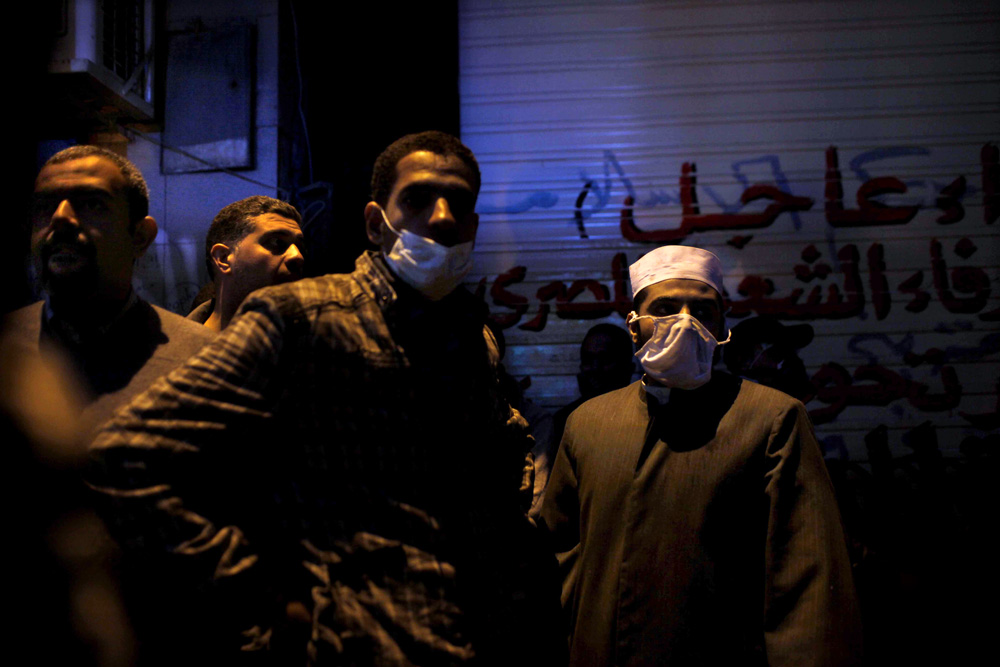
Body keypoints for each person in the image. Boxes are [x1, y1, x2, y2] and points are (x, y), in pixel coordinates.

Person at [89, 131, 561, 665]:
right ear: (375, 224)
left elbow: (495, 475)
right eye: (418, 199)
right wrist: (262, 598)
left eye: (461, 203)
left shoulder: (467, 341)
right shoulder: (306, 318)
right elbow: (128, 457)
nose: (444, 217)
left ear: (474, 226)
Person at [540, 245, 862, 666]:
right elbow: (559, 562)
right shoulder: (588, 423)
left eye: (704, 310)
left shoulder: (771, 418)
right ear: (634, 326)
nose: (686, 323)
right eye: (667, 307)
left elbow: (807, 581)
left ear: (722, 327)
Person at [4, 145, 214, 432]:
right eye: (44, 207)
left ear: (139, 237)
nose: (60, 218)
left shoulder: (203, 360)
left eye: (92, 204)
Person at [532, 323, 634, 514]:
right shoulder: (566, 421)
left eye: (606, 359)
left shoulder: (648, 421)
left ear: (628, 367)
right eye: (588, 360)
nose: (595, 369)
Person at [188, 195, 306, 331]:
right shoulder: (172, 350)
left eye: (300, 247)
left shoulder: (320, 347)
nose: (297, 256)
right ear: (223, 258)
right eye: (276, 242)